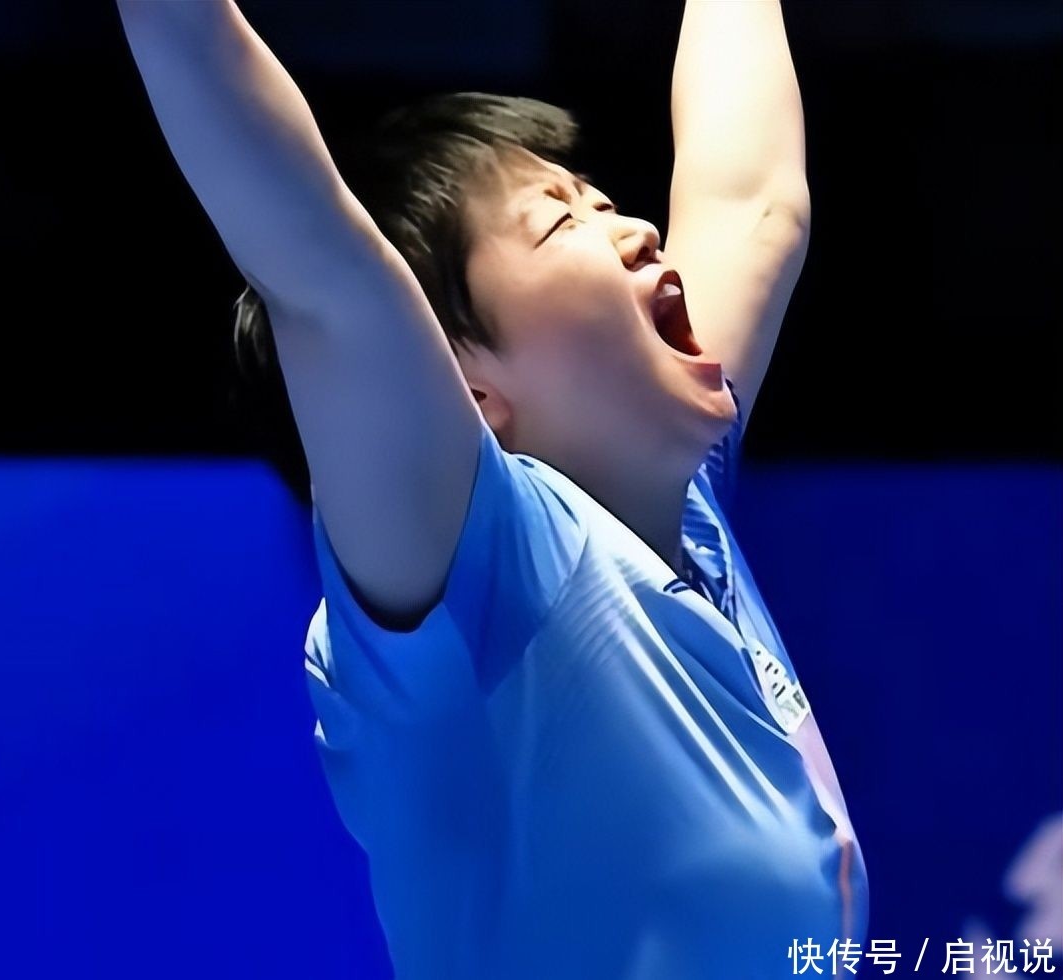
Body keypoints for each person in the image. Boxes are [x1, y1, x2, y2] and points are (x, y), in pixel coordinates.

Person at [116, 1, 868, 976]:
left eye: (599, 198)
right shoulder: (487, 572)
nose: (640, 230)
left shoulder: (675, 504)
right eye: (561, 220)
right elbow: (319, 270)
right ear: (465, 390)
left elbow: (754, 202)